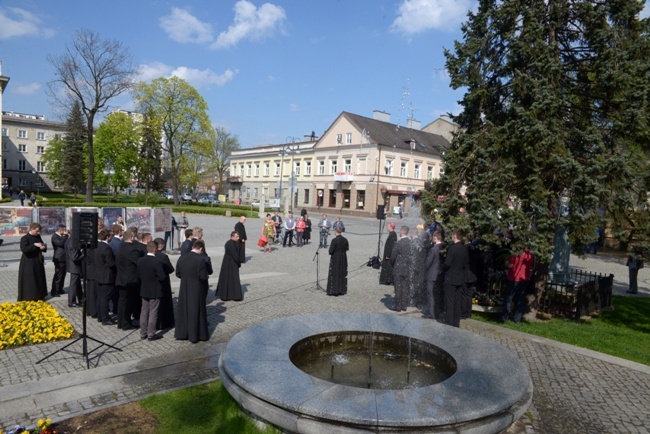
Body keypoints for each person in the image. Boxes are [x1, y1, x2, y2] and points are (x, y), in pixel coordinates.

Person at [175, 239, 211, 343]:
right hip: (196, 288)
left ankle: (182, 333)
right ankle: (195, 335)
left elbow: (178, 273)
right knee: (196, 311)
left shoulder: (182, 258)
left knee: (184, 310)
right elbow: (203, 276)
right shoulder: (200, 260)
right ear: (201, 249)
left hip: (184, 288)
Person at [138, 241, 166, 341]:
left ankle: (143, 332)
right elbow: (162, 277)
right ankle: (151, 334)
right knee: (153, 312)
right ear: (155, 249)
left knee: (144, 311)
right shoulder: (156, 262)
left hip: (144, 288)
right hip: (154, 289)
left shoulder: (140, 260)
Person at [115, 228, 141, 330]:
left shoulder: (120, 247)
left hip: (121, 277)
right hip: (130, 280)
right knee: (129, 302)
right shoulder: (132, 249)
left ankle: (120, 322)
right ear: (131, 237)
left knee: (121, 301)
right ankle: (126, 323)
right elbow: (138, 263)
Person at [500, 247, 535, 323]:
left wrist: (506, 264)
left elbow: (510, 265)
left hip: (513, 278)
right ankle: (517, 319)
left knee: (509, 298)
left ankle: (504, 317)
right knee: (521, 299)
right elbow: (531, 266)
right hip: (525, 278)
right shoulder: (529, 255)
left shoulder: (515, 254)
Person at [443, 228, 469, 327]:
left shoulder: (452, 248)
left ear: (454, 236)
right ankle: (455, 322)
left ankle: (449, 323)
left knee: (450, 302)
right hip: (460, 279)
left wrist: (442, 269)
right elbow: (465, 264)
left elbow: (447, 263)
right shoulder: (464, 248)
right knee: (457, 302)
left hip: (451, 278)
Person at [18, 223, 48, 301]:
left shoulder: (38, 236)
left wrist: (43, 247)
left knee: (39, 278)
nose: (38, 233)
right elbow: (24, 249)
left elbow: (42, 244)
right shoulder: (25, 238)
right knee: (30, 280)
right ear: (32, 229)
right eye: (37, 231)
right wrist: (34, 245)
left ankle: (40, 295)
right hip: (29, 262)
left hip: (38, 261)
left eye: (39, 231)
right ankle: (30, 296)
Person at [95, 229, 117, 325]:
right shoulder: (106, 248)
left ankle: (100, 316)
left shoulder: (96, 246)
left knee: (100, 297)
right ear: (107, 237)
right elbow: (111, 263)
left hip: (98, 274)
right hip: (107, 276)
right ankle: (105, 318)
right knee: (105, 298)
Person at [153, 238, 175, 330]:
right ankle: (165, 322)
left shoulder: (150, 255)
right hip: (163, 282)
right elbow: (171, 269)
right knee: (165, 303)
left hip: (152, 283)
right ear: (161, 245)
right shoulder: (163, 257)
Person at [216, 231, 243, 301]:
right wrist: (239, 262)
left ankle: (226, 295)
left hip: (227, 263)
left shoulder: (229, 243)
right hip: (232, 263)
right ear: (232, 237)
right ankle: (235, 296)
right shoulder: (231, 245)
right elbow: (235, 256)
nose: (238, 238)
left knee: (227, 279)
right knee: (233, 279)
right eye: (236, 236)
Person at [390, 226, 412, 311]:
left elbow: (393, 257)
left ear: (401, 232)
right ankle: (404, 306)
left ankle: (398, 306)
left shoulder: (398, 243)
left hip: (398, 268)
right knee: (405, 287)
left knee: (398, 287)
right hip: (407, 268)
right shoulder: (411, 243)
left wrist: (393, 265)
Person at [424, 230, 445, 319]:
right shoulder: (443, 248)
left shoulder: (433, 249)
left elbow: (428, 263)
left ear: (435, 237)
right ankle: (437, 311)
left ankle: (431, 313)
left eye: (433, 237)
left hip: (432, 274)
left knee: (430, 294)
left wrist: (423, 268)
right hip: (440, 274)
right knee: (437, 294)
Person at [326, 226, 349, 296]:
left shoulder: (334, 240)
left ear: (335, 231)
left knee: (335, 273)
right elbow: (347, 248)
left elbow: (330, 251)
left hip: (336, 257)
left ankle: (334, 290)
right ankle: (341, 290)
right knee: (342, 273)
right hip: (343, 257)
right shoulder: (345, 239)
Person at [64, 233, 84, 308]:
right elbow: (74, 257)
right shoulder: (74, 242)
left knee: (77, 283)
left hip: (71, 265)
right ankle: (71, 301)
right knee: (73, 284)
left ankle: (81, 299)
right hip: (75, 266)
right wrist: (83, 255)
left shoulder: (68, 240)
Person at [50, 224, 68, 298]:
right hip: (59, 258)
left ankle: (60, 288)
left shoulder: (62, 236)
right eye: (64, 230)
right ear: (60, 230)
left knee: (63, 275)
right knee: (58, 275)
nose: (65, 232)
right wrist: (65, 236)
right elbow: (60, 243)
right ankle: (54, 291)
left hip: (64, 258)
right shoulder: (54, 236)